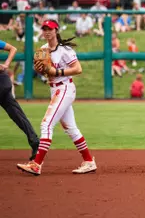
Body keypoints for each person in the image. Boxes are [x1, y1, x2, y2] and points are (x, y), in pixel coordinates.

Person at [17, 20, 97, 176]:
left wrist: (57, 72)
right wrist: (40, 70)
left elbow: (78, 69)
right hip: (54, 90)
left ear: (56, 31)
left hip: (65, 88)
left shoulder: (64, 49)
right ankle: (88, 161)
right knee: (71, 128)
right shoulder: (43, 49)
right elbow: (46, 72)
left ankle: (36, 164)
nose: (47, 32)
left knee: (46, 124)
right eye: (44, 29)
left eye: (50, 29)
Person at [0, 40, 40, 160]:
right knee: (18, 115)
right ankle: (35, 143)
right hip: (3, 82)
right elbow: (13, 48)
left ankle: (35, 143)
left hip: (1, 82)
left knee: (17, 115)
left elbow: (13, 48)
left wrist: (6, 64)